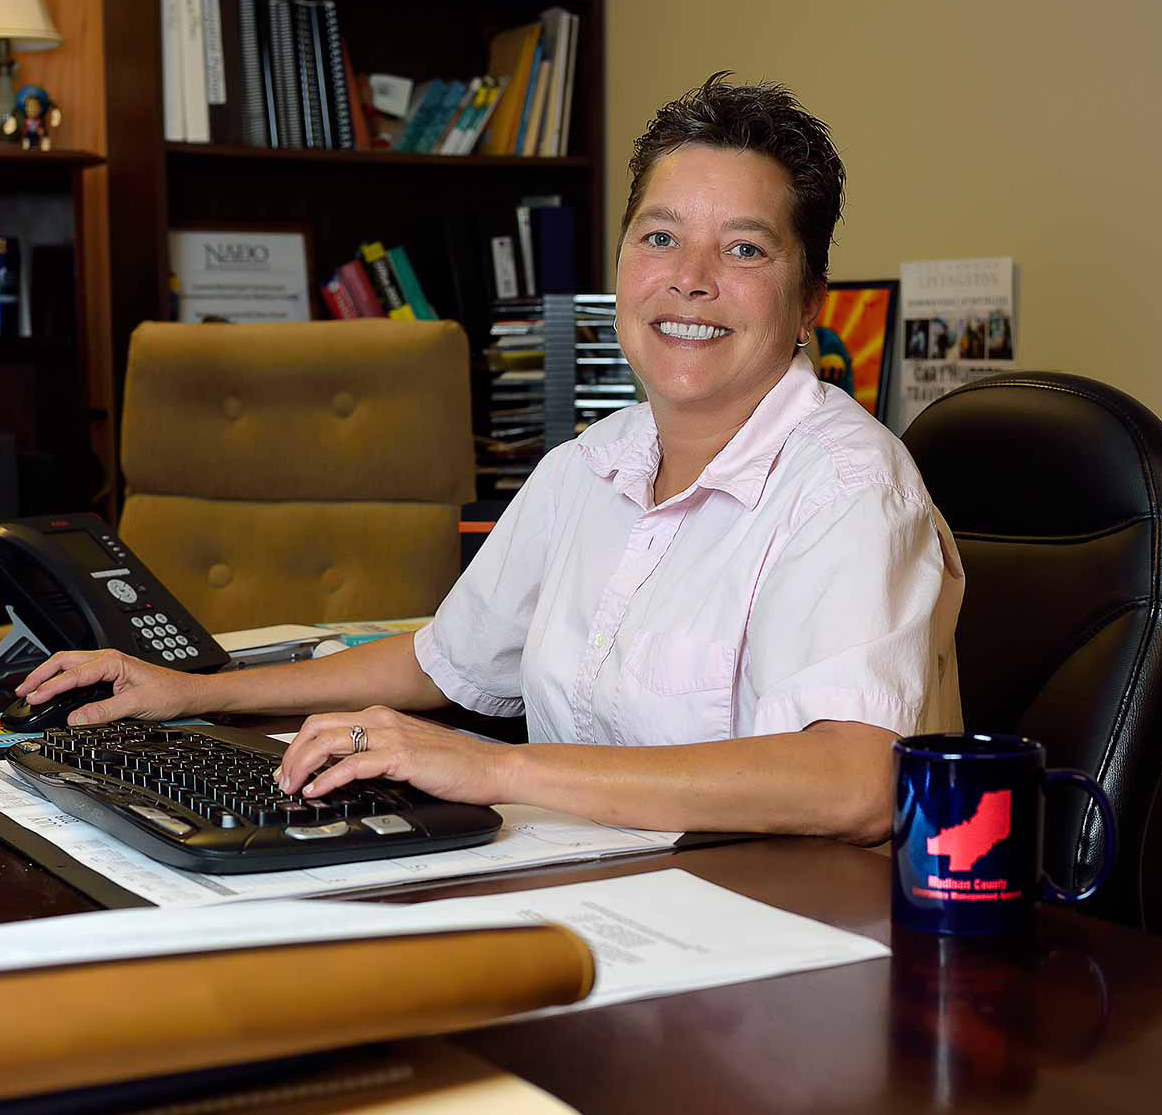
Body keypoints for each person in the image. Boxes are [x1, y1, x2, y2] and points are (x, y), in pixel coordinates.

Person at [15, 74, 963, 845]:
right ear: (623, 261)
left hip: (778, 938)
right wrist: (191, 690)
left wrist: (495, 768)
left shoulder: (847, 484)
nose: (691, 278)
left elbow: (856, 780)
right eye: (660, 236)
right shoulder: (592, 465)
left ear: (808, 303)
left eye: (745, 248)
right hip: (598, 892)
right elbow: (442, 662)